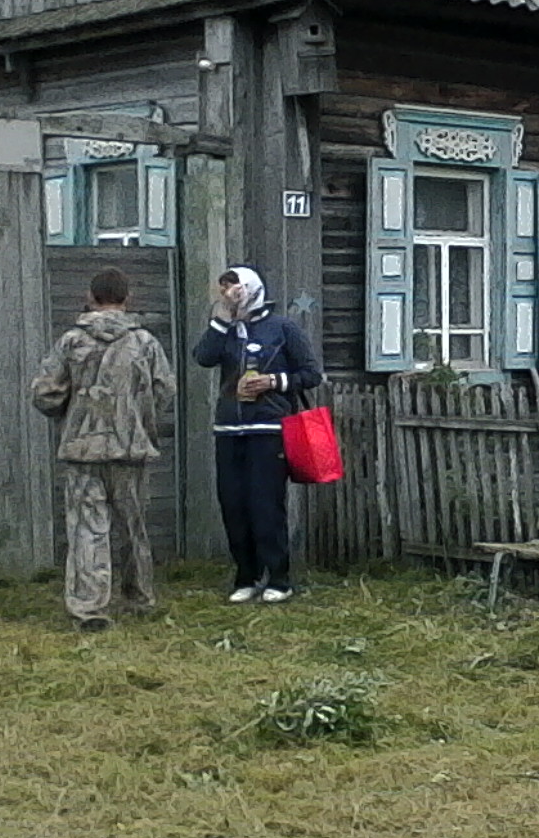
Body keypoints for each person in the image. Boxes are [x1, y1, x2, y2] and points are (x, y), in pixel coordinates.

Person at [30, 266, 177, 631]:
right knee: (133, 527)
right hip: (131, 449)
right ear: (128, 299)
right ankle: (139, 597)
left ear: (90, 297)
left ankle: (89, 607)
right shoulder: (145, 343)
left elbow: (45, 394)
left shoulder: (71, 342)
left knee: (86, 529)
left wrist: (74, 413)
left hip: (83, 450)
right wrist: (137, 417)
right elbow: (165, 390)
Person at [194, 265, 324, 604]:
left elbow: (311, 373)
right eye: (224, 289)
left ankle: (278, 578)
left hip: (268, 429)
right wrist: (222, 319)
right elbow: (203, 357)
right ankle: (246, 576)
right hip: (229, 430)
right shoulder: (225, 329)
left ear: (251, 288)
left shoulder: (282, 328)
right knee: (233, 504)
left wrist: (273, 382)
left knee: (265, 504)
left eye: (234, 287)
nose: (229, 294)